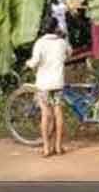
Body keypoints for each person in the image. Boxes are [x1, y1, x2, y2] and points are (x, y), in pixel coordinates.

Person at [26, 17, 71, 158]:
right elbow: (69, 53)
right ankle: (58, 146)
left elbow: (34, 62)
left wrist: (28, 64)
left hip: (44, 84)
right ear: (56, 27)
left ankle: (46, 148)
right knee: (58, 112)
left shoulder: (40, 43)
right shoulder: (62, 43)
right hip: (57, 83)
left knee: (45, 114)